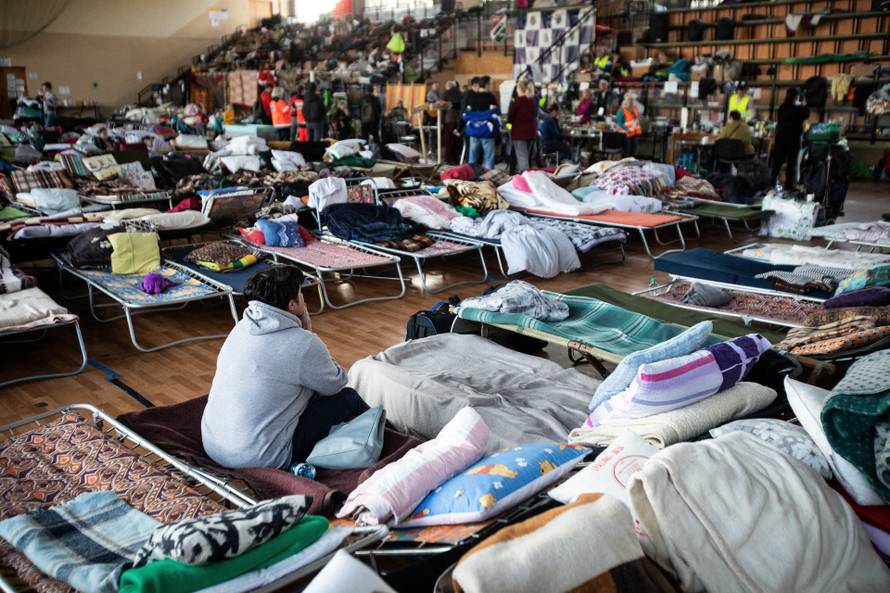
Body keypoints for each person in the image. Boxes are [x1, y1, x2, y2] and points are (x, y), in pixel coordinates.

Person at [201, 266, 369, 470]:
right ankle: (400, 443)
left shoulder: (241, 327)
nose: (303, 298)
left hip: (212, 445)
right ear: (291, 305)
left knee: (301, 387)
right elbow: (335, 384)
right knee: (348, 398)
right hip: (260, 459)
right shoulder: (302, 343)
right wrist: (308, 332)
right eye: (300, 293)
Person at [771, 87, 810, 190]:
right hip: (793, 139)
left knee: (777, 161)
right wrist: (805, 103)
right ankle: (788, 185)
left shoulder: (781, 108)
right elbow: (806, 114)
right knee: (791, 162)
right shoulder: (797, 109)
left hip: (780, 138)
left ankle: (771, 182)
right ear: (796, 97)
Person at [462, 76, 500, 169]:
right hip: (487, 131)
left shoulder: (472, 96)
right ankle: (489, 177)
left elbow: (467, 111)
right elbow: (496, 113)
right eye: (491, 84)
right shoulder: (490, 97)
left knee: (472, 156)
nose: (491, 86)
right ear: (487, 85)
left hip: (473, 130)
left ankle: (470, 175)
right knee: (489, 157)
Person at [508, 79, 537, 172]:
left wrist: (508, 125)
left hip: (519, 133)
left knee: (522, 159)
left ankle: (525, 179)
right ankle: (526, 177)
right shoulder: (532, 101)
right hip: (531, 133)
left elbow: (510, 117)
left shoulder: (518, 101)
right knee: (527, 158)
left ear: (520, 89)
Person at [442, 80, 462, 164]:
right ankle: (456, 159)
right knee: (456, 141)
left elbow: (443, 108)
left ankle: (448, 159)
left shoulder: (446, 93)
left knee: (448, 140)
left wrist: (441, 121)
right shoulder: (460, 93)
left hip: (449, 119)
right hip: (458, 120)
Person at [616, 93, 642, 157]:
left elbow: (638, 116)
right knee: (627, 152)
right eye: (628, 100)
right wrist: (626, 129)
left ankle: (632, 165)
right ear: (625, 100)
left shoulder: (634, 109)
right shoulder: (621, 110)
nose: (630, 101)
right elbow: (619, 122)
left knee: (633, 151)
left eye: (631, 100)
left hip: (634, 133)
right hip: (626, 133)